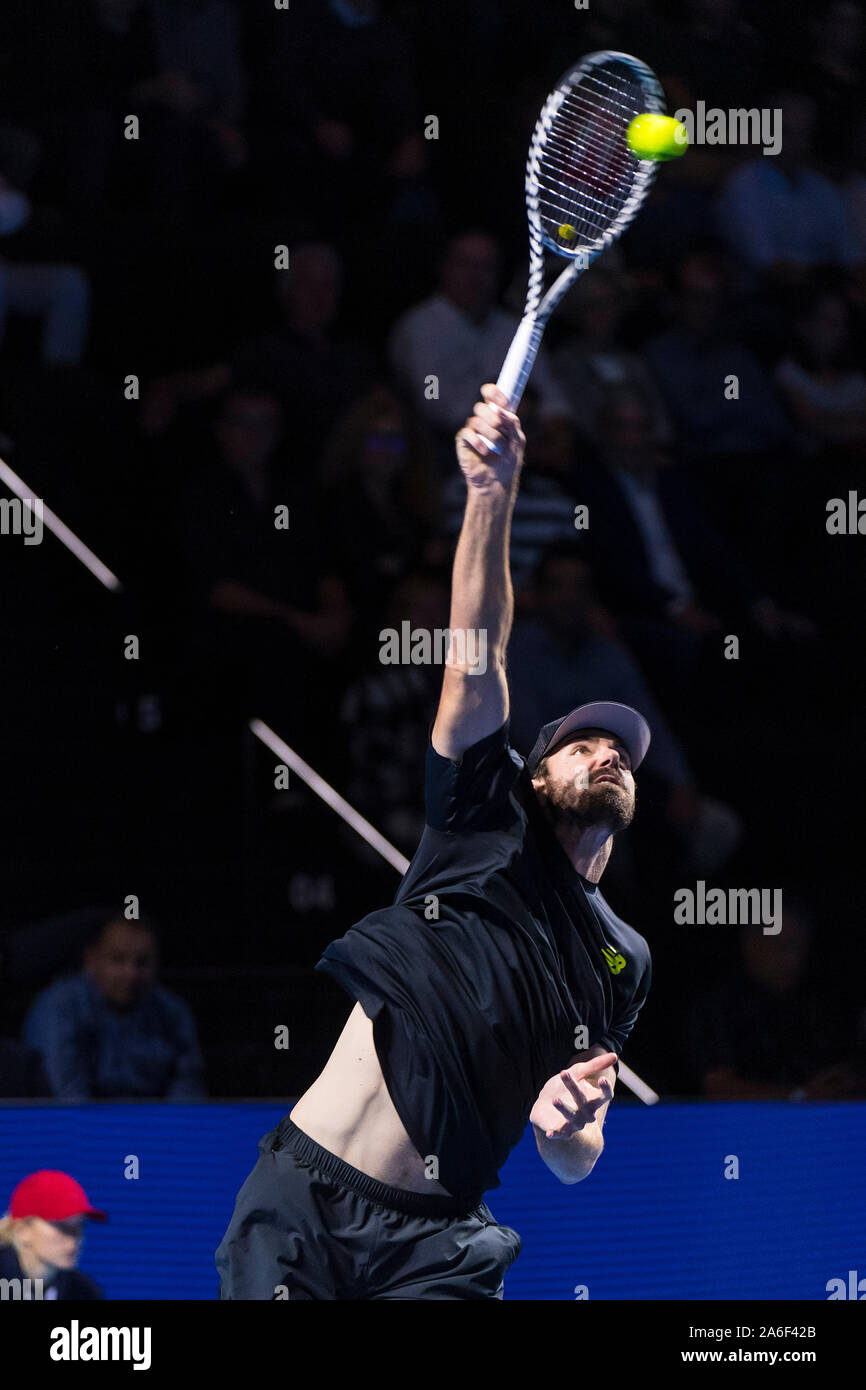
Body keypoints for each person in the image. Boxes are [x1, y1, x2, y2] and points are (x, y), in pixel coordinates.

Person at [216, 384, 652, 1300]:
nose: (608, 754)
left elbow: (577, 1158)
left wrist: (565, 1127)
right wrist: (492, 495)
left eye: (622, 754)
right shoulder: (482, 824)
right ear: (536, 777)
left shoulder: (622, 958)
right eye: (584, 744)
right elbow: (476, 653)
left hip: (440, 1243)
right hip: (309, 1205)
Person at [22, 914, 206, 1100]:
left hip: (154, 1125)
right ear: (91, 959)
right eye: (118, 960)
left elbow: (187, 1092)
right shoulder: (58, 1006)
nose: (131, 974)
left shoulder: (172, 1012)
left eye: (143, 962)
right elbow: (65, 1097)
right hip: (83, 1125)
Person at [0, 1170, 105, 1300]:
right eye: (61, 1225)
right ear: (23, 1230)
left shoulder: (85, 1292)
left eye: (79, 1226)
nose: (75, 1238)